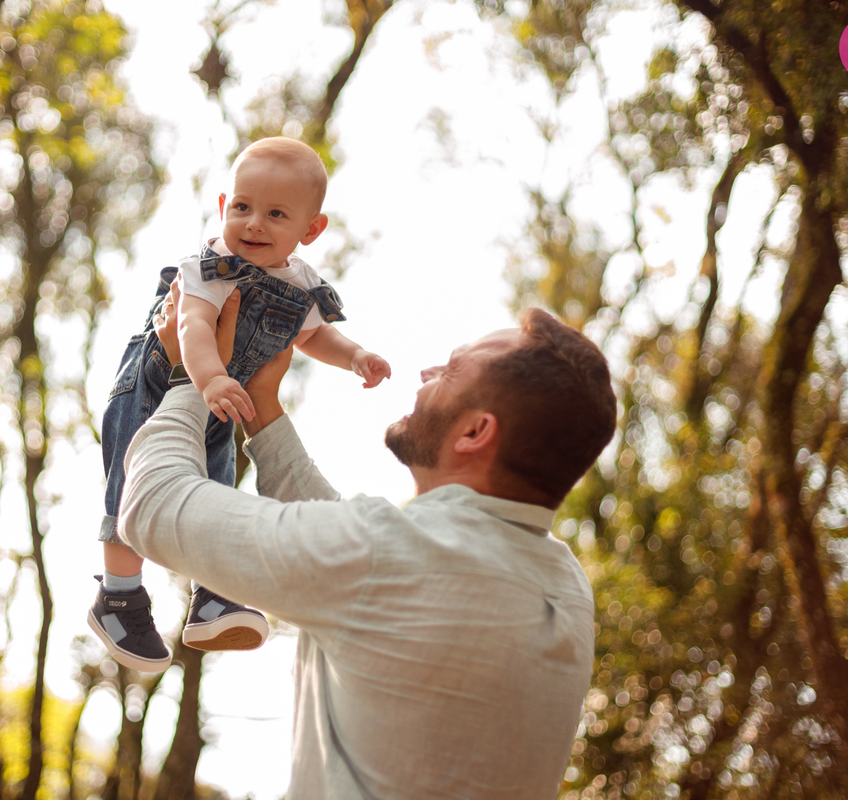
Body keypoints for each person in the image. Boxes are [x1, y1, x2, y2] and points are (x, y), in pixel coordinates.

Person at [117, 291, 617, 799]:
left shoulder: (387, 556)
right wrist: (262, 408)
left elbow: (153, 503)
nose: (426, 372)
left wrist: (190, 375)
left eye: (450, 372)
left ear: (474, 431)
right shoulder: (567, 589)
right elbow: (358, 570)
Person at [90, 136, 392, 673]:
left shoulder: (300, 284)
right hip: (159, 382)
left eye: (276, 214)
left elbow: (314, 336)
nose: (253, 224)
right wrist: (208, 379)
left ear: (310, 230)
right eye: (243, 207)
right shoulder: (212, 267)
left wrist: (355, 357)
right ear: (224, 206)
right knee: (132, 481)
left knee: (216, 483)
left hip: (221, 399)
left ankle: (212, 596)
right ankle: (119, 595)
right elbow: (193, 325)